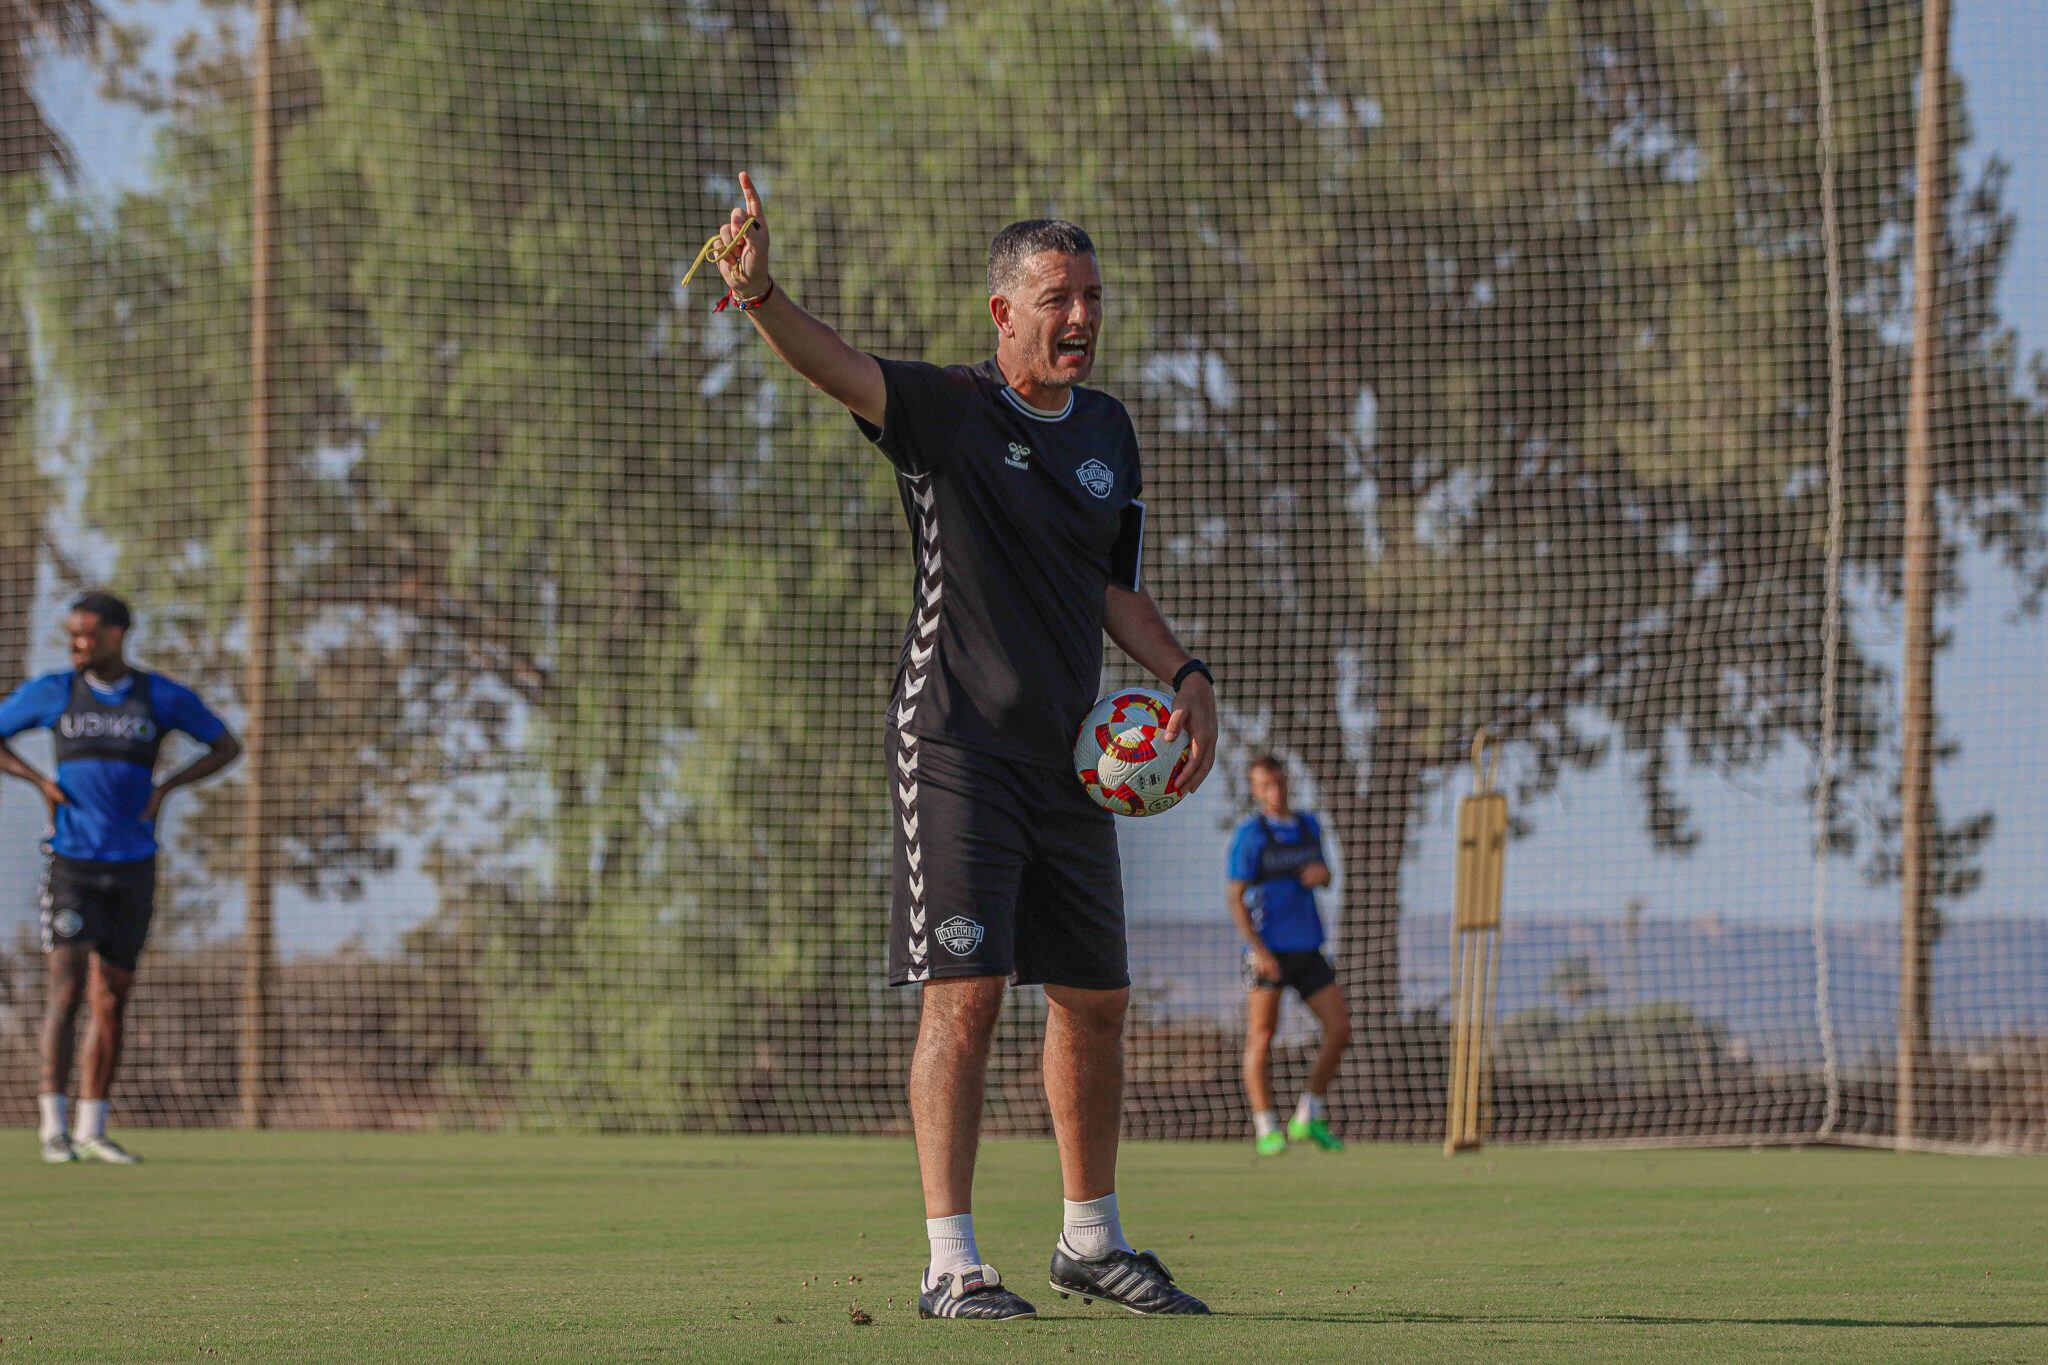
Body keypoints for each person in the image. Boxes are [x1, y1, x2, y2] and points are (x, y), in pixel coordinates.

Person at [707, 173, 1217, 1320]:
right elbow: (834, 364)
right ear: (1003, 313)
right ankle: (950, 1261)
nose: (1080, 316)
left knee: (1094, 999)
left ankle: (1090, 1241)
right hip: (953, 745)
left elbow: (1115, 595)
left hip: (1072, 763)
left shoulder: (1108, 433)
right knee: (968, 991)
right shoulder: (947, 409)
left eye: (1091, 295)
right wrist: (760, 294)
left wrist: (1184, 678)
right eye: (1056, 297)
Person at [0, 594, 240, 1163]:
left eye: (87, 634)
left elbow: (227, 745)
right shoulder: (56, 691)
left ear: (118, 635)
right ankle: (52, 1127)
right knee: (66, 989)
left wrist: (166, 788)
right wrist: (40, 781)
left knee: (113, 997)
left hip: (134, 864)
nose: (77, 644)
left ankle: (93, 1127)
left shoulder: (159, 696)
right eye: (72, 635)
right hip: (72, 864)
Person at [1226, 753, 1350, 1156]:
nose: (1275, 792)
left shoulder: (1309, 826)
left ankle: (1307, 1115)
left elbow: (1326, 875)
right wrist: (1257, 950)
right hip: (1268, 952)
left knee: (1339, 1030)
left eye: (1279, 783)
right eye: (1266, 786)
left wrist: (1322, 874)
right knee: (1261, 1037)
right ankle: (1266, 1127)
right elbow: (1235, 897)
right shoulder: (1251, 835)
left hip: (1308, 947)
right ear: (1255, 790)